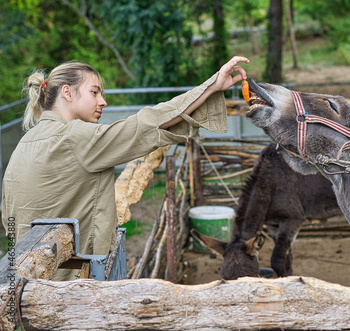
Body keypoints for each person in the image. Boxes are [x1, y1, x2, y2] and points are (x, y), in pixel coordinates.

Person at [2, 56, 250, 279]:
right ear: (67, 92)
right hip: (74, 291)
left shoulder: (24, 143)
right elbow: (144, 125)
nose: (104, 101)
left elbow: (9, 217)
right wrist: (212, 86)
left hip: (29, 283)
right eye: (95, 92)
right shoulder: (73, 137)